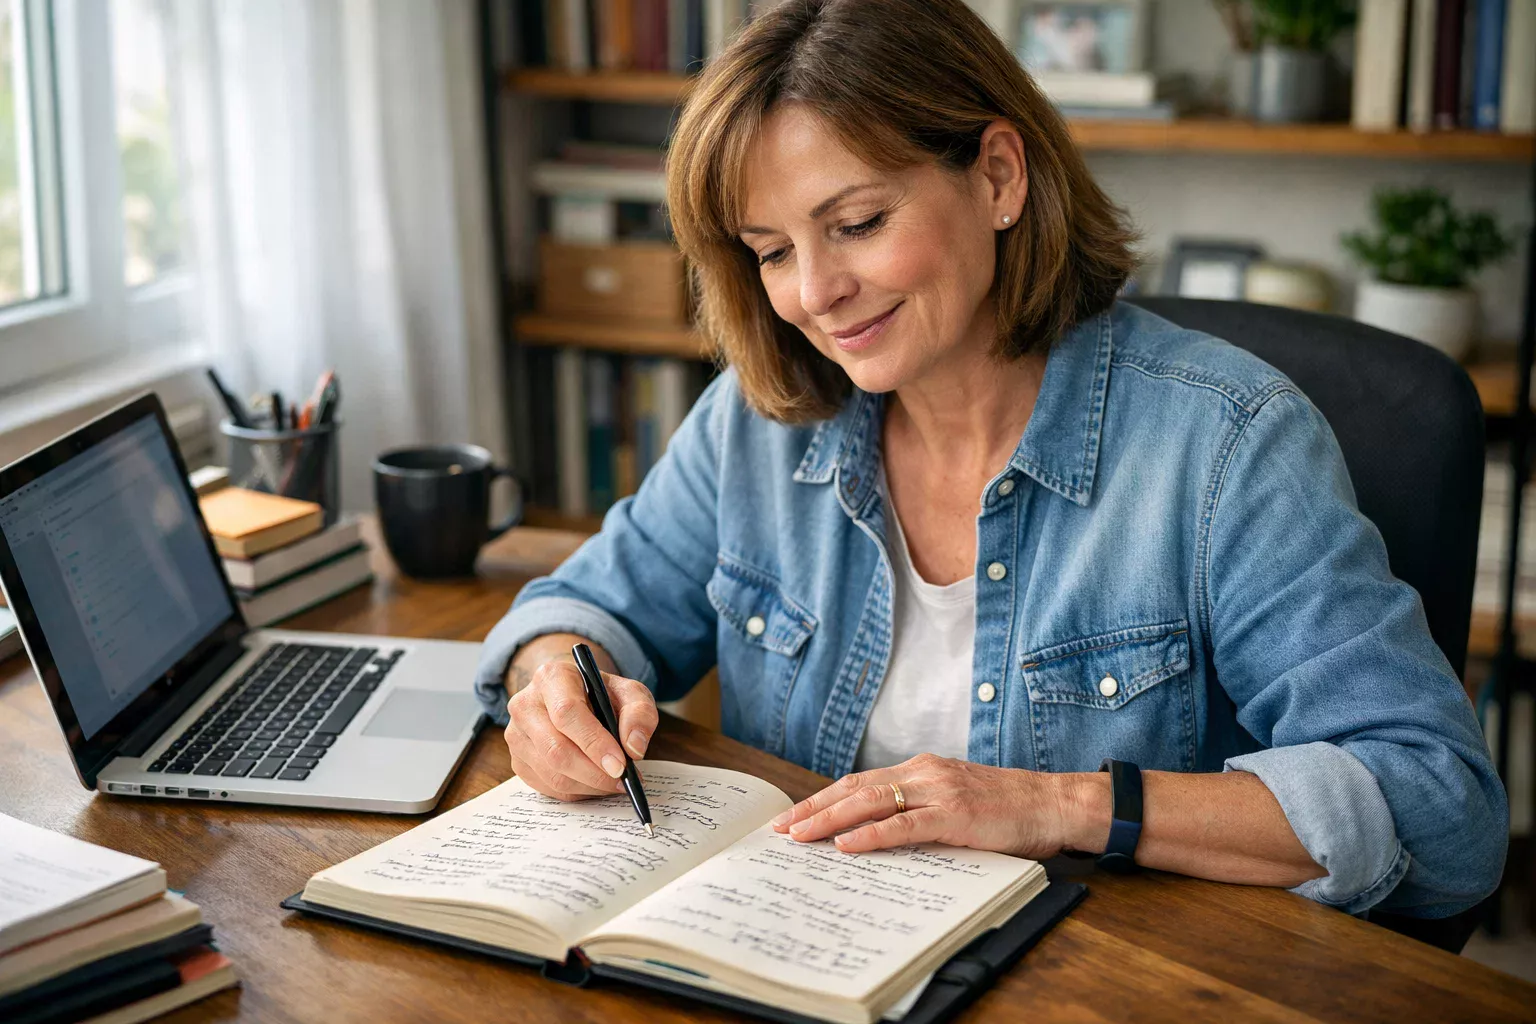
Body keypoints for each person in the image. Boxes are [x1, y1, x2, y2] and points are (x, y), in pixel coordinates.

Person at [476, 0, 1505, 920]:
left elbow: (1440, 808)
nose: (816, 294)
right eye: (773, 251)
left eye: (858, 223)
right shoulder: (757, 422)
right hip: (799, 949)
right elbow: (580, 611)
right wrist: (557, 684)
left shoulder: (1226, 443)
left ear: (999, 176)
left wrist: (1060, 806)